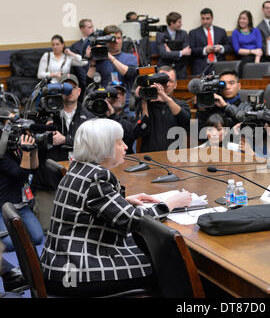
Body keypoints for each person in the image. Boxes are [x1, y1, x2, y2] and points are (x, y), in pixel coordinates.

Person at [39, 118, 192, 297]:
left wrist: (123, 201)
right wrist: (171, 203)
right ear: (104, 148)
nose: (126, 146)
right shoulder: (97, 177)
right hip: (75, 274)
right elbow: (134, 221)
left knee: (150, 254)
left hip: (59, 264)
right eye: (120, 143)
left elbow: (91, 204)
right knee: (167, 267)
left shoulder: (79, 168)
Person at [31, 74, 95, 232]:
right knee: (48, 228)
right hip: (49, 183)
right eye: (64, 88)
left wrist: (65, 140)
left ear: (79, 91)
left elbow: (93, 145)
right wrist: (44, 131)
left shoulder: (89, 118)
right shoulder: (48, 114)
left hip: (79, 183)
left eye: (72, 87)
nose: (69, 91)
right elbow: (34, 142)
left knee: (79, 228)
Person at [0, 108, 44, 251]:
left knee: (37, 238)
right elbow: (21, 176)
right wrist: (26, 153)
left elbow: (34, 168)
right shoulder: (2, 153)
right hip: (4, 206)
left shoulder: (17, 144)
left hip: (22, 204)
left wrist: (34, 148)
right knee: (9, 244)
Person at [133, 66, 190, 153]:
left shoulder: (182, 104)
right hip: (150, 157)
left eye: (170, 81)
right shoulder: (146, 104)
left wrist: (166, 99)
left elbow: (185, 120)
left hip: (175, 158)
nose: (166, 84)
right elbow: (141, 132)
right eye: (162, 81)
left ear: (175, 84)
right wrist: (144, 101)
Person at [86, 25, 138, 108]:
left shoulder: (130, 57)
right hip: (105, 102)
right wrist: (92, 62)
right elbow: (89, 82)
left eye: (119, 38)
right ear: (105, 40)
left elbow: (130, 74)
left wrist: (110, 57)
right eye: (113, 39)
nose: (116, 41)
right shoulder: (99, 59)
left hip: (126, 103)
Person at [195, 69, 250, 139]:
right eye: (223, 84)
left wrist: (226, 106)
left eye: (231, 83)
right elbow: (200, 136)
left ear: (239, 86)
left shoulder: (246, 107)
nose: (227, 87)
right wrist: (201, 110)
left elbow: (248, 132)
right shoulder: (211, 107)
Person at [189, 8, 232, 76]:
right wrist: (205, 50)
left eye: (207, 18)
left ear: (212, 18)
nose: (205, 21)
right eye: (203, 18)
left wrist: (221, 48)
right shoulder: (193, 33)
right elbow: (191, 50)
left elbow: (229, 48)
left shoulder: (221, 31)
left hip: (219, 65)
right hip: (201, 67)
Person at [156, 12, 191, 79]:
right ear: (172, 23)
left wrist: (170, 52)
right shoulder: (161, 34)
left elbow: (187, 52)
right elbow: (163, 54)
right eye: (179, 22)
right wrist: (181, 52)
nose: (181, 24)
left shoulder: (183, 33)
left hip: (180, 68)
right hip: (165, 67)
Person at [104, 83, 136, 154]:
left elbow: (131, 135)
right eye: (114, 94)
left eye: (121, 94)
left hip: (126, 159)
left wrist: (113, 116)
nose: (118, 96)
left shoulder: (130, 119)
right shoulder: (100, 117)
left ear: (125, 97)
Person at [70, 19, 95, 96]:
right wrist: (89, 83)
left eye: (92, 27)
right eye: (90, 27)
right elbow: (79, 70)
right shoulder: (76, 47)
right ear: (82, 29)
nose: (93, 29)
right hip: (85, 85)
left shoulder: (98, 43)